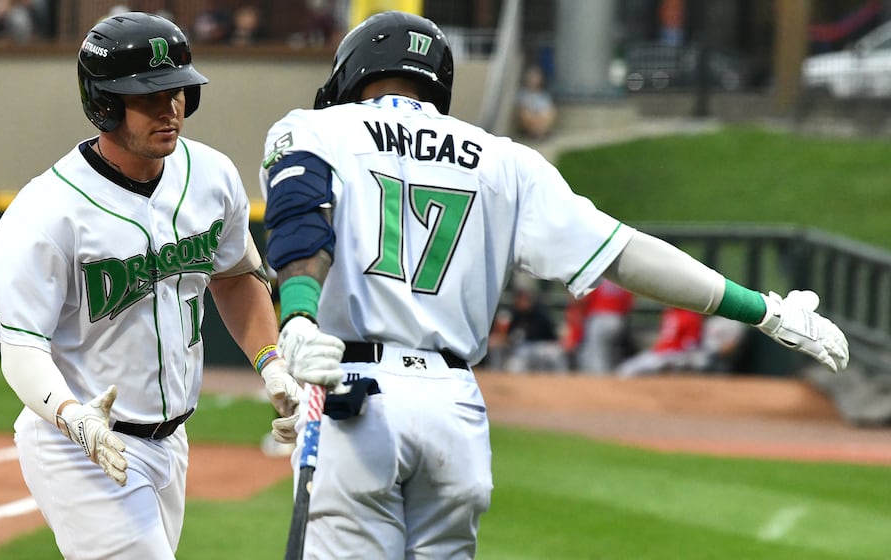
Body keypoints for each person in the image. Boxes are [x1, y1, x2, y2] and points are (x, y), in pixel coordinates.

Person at [259, 10, 849, 558]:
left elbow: (299, 220)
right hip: (454, 410)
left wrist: (300, 318)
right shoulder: (504, 158)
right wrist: (764, 310)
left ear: (351, 73)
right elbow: (626, 252)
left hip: (351, 392)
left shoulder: (317, 129)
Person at [0, 12, 301, 558]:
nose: (170, 108)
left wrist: (272, 363)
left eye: (177, 91)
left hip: (172, 441)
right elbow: (21, 350)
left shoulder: (211, 175)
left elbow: (237, 276)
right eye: (148, 96)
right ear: (104, 103)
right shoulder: (46, 212)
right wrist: (74, 419)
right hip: (74, 442)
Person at [616, 306, 705, 377]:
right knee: (625, 370)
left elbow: (691, 345)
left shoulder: (690, 316)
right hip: (660, 352)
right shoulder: (670, 312)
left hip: (674, 354)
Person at [574, 279, 636, 373]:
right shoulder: (621, 278)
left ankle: (601, 382)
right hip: (618, 318)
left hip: (599, 317)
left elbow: (584, 299)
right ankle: (611, 379)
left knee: (596, 357)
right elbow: (629, 304)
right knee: (611, 355)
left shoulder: (596, 275)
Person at [501, 286, 567, 372]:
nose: (520, 302)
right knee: (514, 364)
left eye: (523, 299)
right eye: (519, 300)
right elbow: (510, 334)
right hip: (526, 347)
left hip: (545, 345)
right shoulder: (517, 314)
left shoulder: (539, 312)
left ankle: (564, 380)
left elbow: (551, 333)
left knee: (556, 354)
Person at [515, 64, 557, 141]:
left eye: (536, 76)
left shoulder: (544, 94)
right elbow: (522, 109)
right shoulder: (522, 94)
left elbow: (549, 108)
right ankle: (537, 133)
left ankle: (539, 133)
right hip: (530, 118)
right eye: (531, 76)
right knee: (526, 114)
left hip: (541, 116)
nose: (533, 79)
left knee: (547, 113)